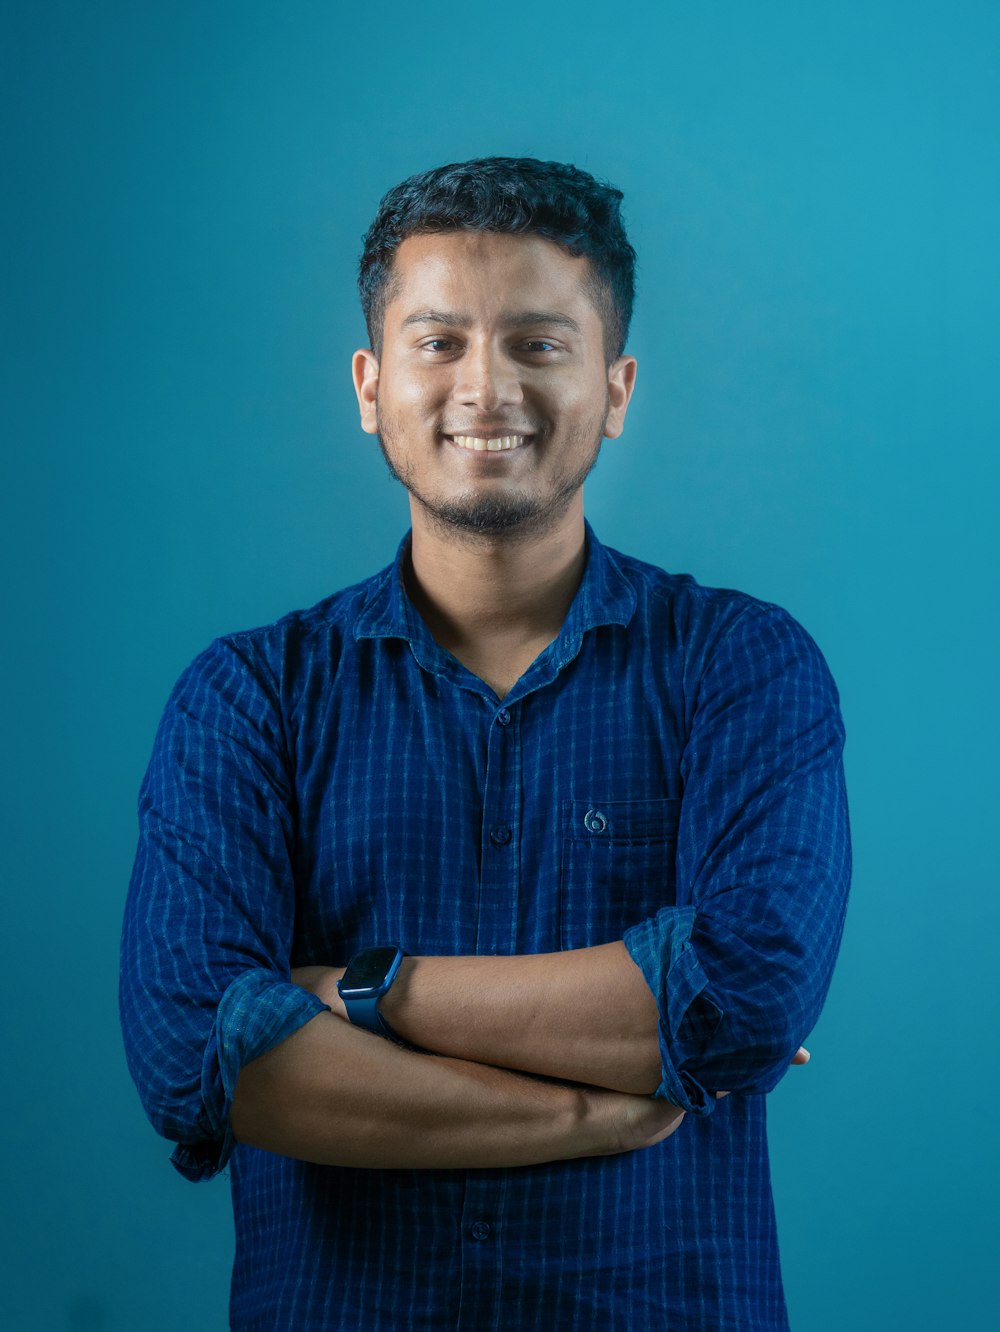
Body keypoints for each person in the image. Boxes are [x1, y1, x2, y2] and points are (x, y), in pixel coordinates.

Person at [120, 156, 851, 1331]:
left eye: (538, 343)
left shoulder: (740, 667)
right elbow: (192, 1052)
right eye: (439, 341)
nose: (486, 385)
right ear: (370, 385)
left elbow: (742, 999)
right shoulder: (248, 697)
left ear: (615, 389)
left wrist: (352, 994)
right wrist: (592, 1110)